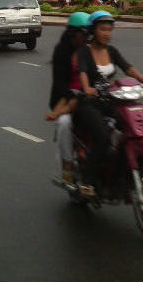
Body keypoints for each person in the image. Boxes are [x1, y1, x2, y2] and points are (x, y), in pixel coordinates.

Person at [76, 10, 143, 198]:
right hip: (89, 103)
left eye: (109, 29)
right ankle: (87, 181)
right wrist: (87, 88)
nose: (107, 33)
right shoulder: (85, 51)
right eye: (102, 29)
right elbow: (82, 72)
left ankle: (134, 172)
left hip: (109, 101)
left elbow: (128, 68)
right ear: (93, 31)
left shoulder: (112, 51)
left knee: (133, 130)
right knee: (103, 137)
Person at [45, 11, 90, 184]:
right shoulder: (62, 51)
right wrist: (73, 97)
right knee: (64, 123)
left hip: (87, 98)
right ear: (73, 34)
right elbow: (61, 84)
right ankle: (68, 166)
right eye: (83, 34)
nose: (86, 38)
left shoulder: (89, 50)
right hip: (63, 98)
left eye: (88, 34)